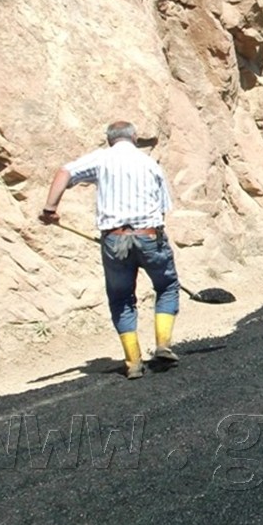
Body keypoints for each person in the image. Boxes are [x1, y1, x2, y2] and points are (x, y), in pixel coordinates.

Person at [39, 121, 180, 380]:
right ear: (135, 138)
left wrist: (50, 208)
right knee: (167, 287)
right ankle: (162, 345)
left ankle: (134, 362)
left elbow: (64, 172)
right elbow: (162, 210)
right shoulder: (150, 164)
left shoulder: (102, 159)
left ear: (109, 140)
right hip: (150, 235)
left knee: (121, 298)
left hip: (114, 239)